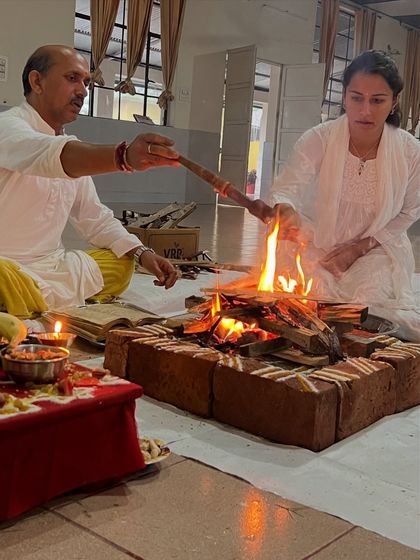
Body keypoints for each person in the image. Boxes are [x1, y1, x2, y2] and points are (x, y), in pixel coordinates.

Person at [0, 45, 180, 320]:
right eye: (72, 78)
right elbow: (51, 154)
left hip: (50, 266)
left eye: (86, 82)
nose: (83, 91)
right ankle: (22, 296)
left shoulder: (71, 148)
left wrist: (143, 253)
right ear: (37, 81)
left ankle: (25, 298)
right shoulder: (9, 128)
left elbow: (94, 217)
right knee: (4, 278)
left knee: (122, 262)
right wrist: (123, 157)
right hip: (5, 265)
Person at [253, 50, 420, 341]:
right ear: (344, 97)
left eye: (377, 100)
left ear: (394, 102)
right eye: (356, 98)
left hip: (378, 247)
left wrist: (358, 248)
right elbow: (286, 188)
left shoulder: (409, 150)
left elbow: (409, 211)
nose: (365, 110)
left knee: (365, 307)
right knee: (312, 299)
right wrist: (285, 207)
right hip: (320, 242)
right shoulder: (320, 138)